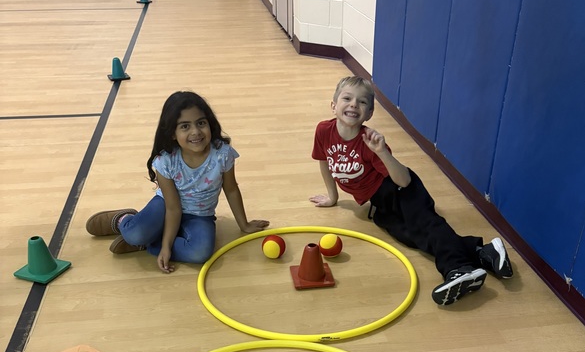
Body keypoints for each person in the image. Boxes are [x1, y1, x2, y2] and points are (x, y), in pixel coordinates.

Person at [309, 76, 513, 306]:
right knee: (411, 237)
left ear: (369, 114)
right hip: (378, 202)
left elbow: (404, 181)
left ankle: (457, 269)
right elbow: (323, 161)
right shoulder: (324, 131)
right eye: (347, 98)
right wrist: (333, 197)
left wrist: (382, 153)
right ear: (334, 105)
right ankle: (482, 252)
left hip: (399, 187)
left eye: (362, 102)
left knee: (428, 226)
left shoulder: (369, 141)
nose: (354, 104)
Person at [86, 90, 269, 273]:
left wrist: (243, 225)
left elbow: (231, 190)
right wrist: (167, 247)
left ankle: (148, 244)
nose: (195, 132)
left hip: (200, 214)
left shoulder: (223, 154)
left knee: (200, 252)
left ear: (210, 125)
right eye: (184, 126)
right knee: (135, 234)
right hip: (166, 206)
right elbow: (173, 208)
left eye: (201, 123)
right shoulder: (166, 161)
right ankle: (122, 220)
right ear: (172, 133)